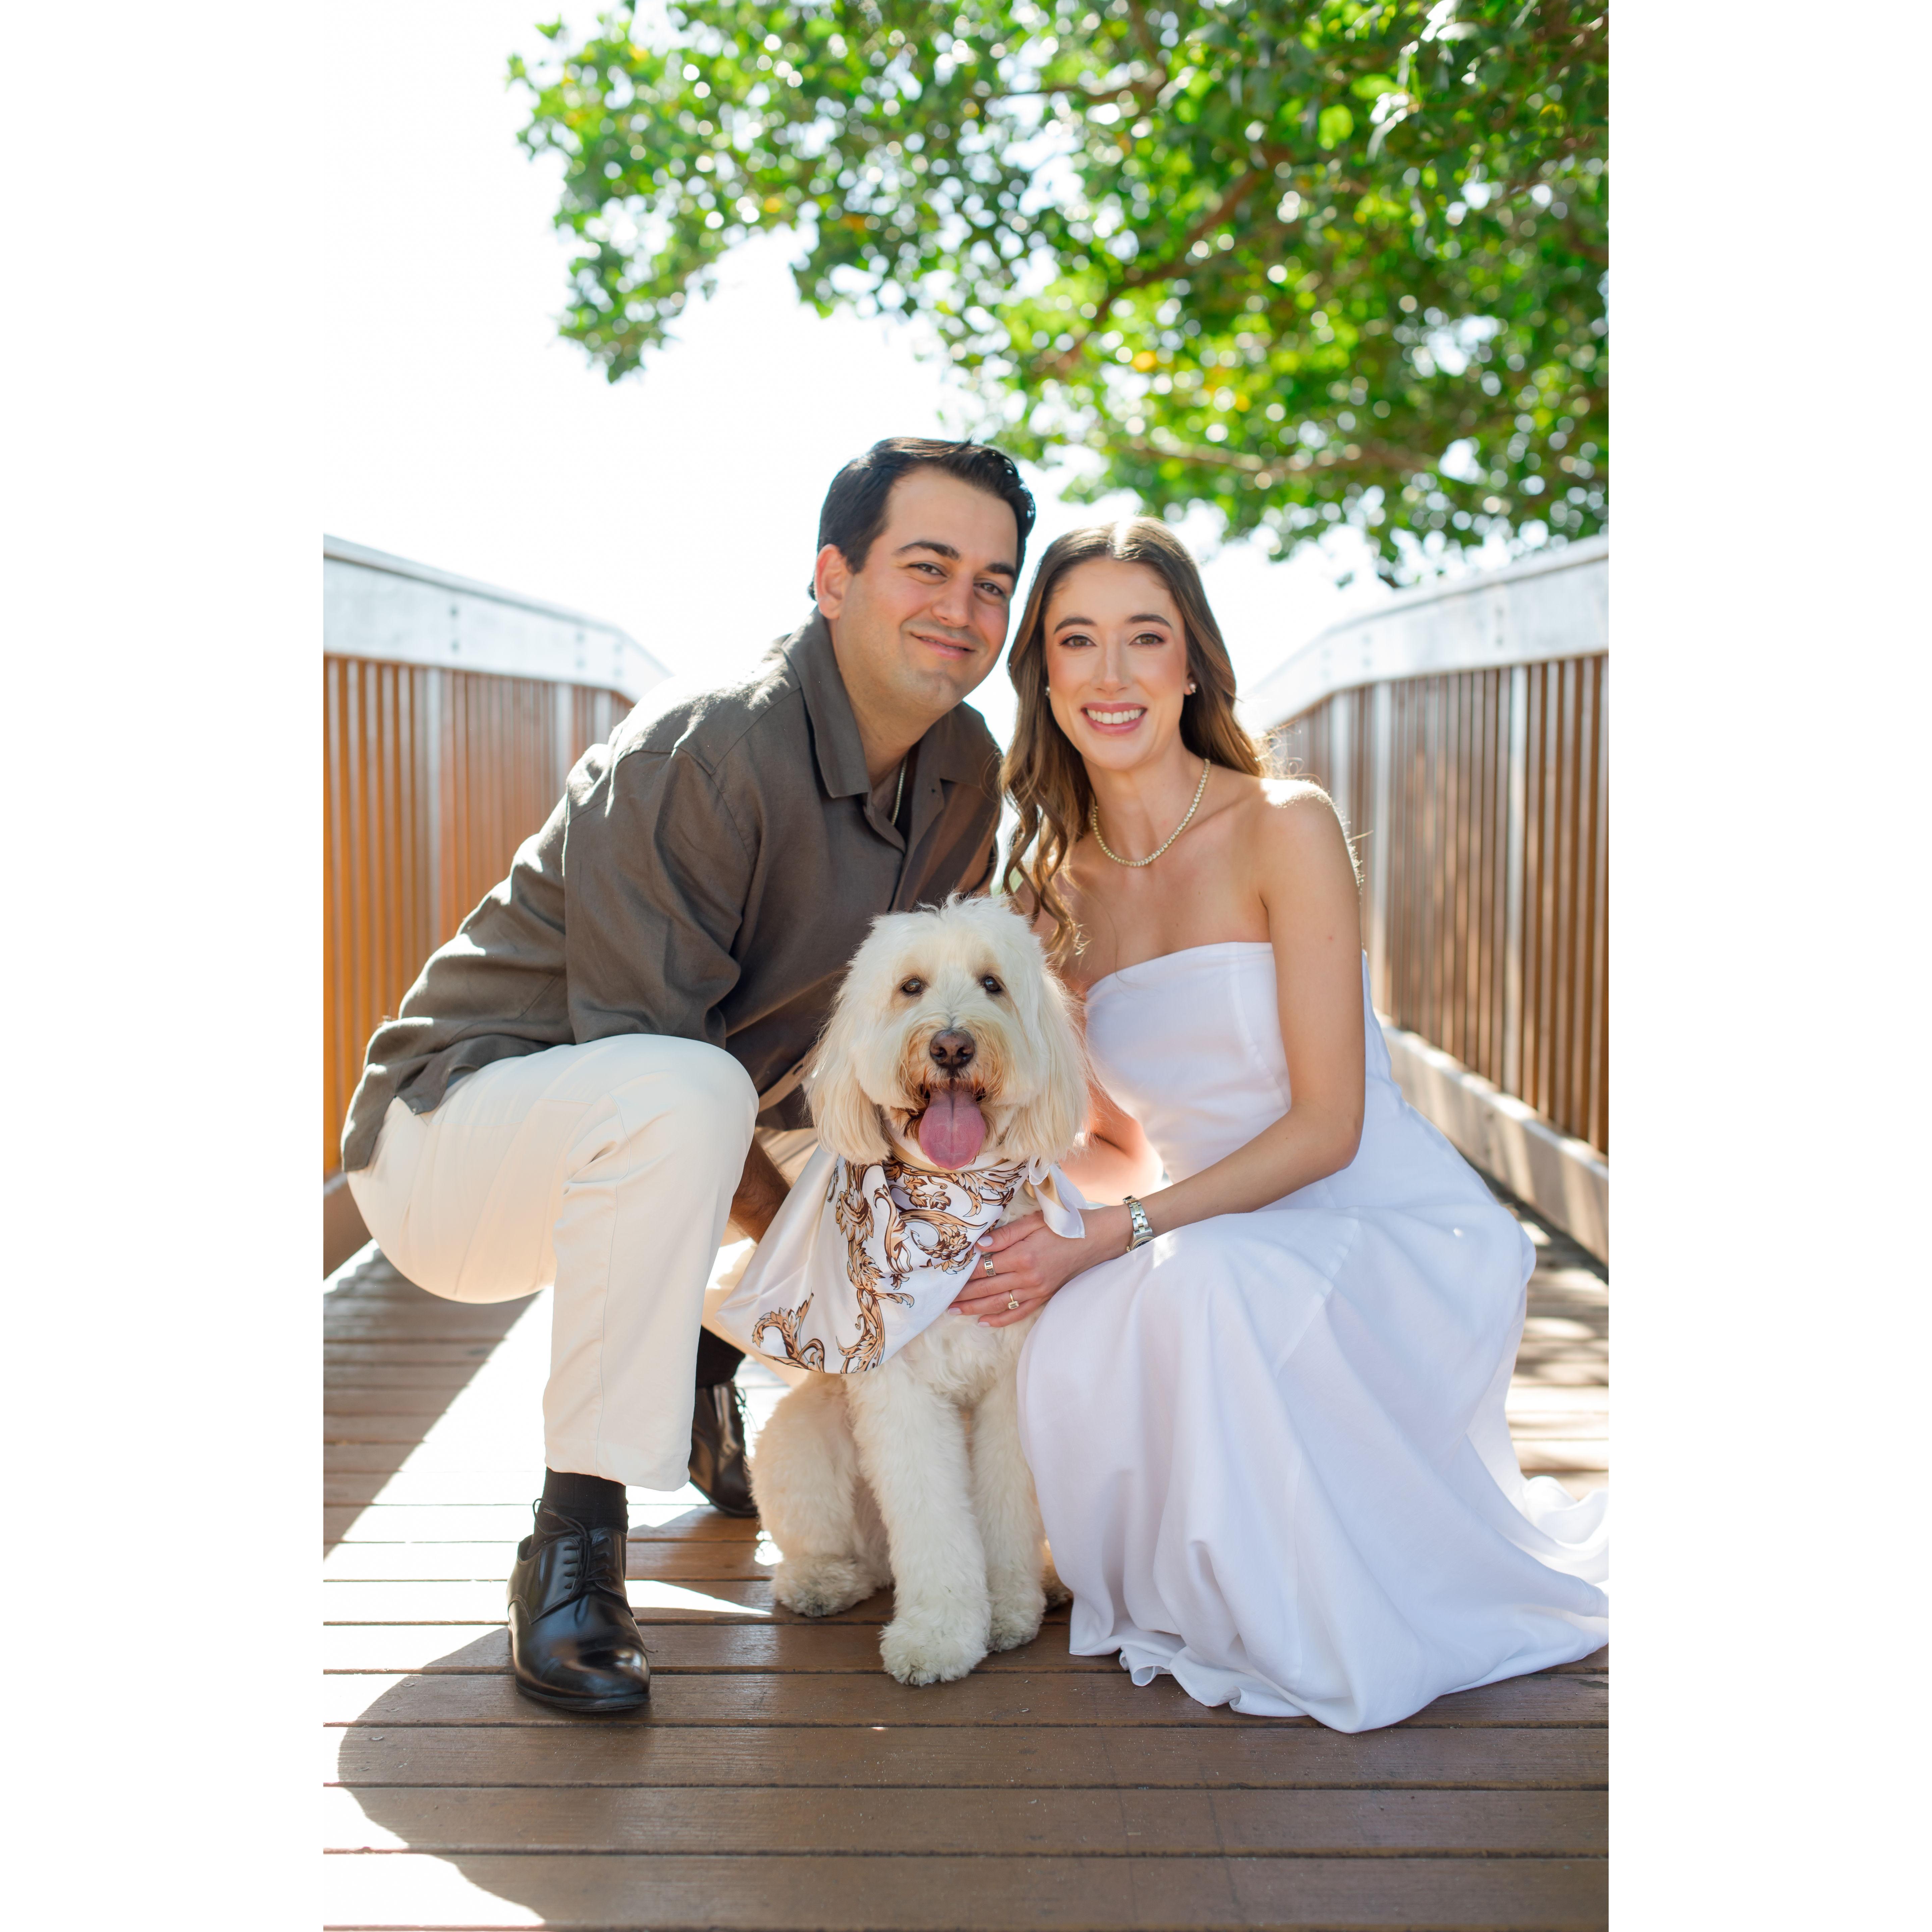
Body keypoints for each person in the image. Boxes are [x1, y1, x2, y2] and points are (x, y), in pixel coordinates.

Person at [341, 438, 1034, 1713]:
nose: (963, 606)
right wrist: (810, 1263)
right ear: (833, 578)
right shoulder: (707, 751)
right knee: (691, 1094)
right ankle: (574, 1541)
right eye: (927, 566)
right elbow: (647, 1052)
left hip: (669, 1135)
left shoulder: (962, 769)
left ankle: (706, 1362)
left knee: (817, 1123)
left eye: (993, 583)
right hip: (454, 1144)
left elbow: (893, 1036)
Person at [951, 518, 1609, 1731]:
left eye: (1145, 638)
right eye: (1076, 641)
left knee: (1197, 1286)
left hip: (1366, 1212)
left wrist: (1115, 1233)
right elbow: (1114, 1141)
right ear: (1042, 674)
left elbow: (1329, 1125)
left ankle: (1310, 1614)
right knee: (1071, 1320)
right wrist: (1003, 1205)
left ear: (1191, 663)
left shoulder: (1282, 824)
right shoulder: (1046, 895)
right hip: (1200, 1222)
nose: (1111, 674)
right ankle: (1197, 1589)